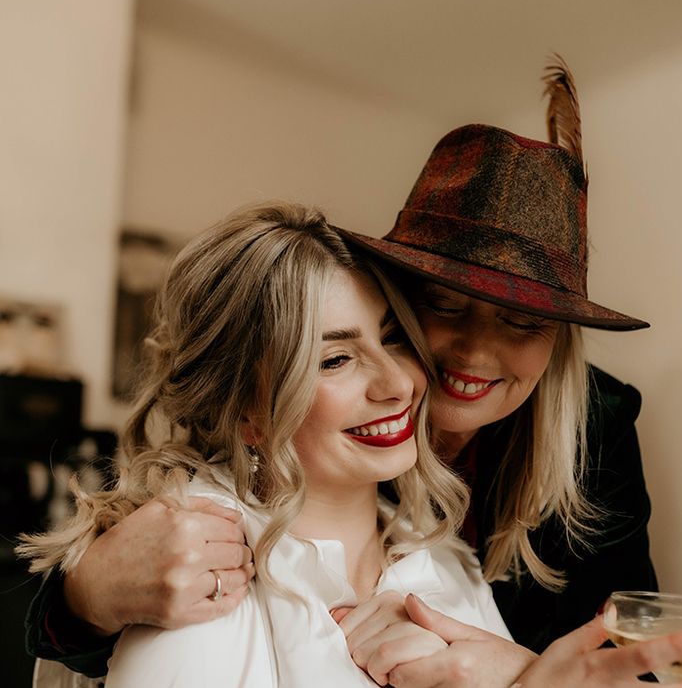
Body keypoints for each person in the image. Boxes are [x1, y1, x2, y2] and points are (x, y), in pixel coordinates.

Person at [22, 59, 682, 686]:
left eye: (522, 323)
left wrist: (518, 674)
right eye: (441, 308)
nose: (474, 354)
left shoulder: (586, 438)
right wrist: (86, 595)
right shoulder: (234, 525)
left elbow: (621, 662)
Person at [19, 202, 515, 686]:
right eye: (335, 360)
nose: (397, 384)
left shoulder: (451, 564)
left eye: (391, 339)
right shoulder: (199, 581)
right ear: (245, 412)